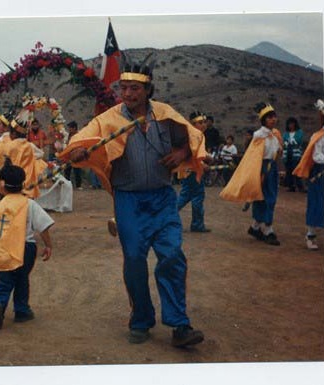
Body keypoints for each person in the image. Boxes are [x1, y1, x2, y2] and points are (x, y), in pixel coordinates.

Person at [61, 53, 205, 348]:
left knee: (173, 256)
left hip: (163, 199)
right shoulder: (108, 119)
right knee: (135, 261)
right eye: (123, 88)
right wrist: (77, 151)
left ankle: (179, 324)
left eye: (134, 89)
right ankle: (141, 318)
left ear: (148, 90)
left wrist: (182, 154)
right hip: (128, 201)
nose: (127, 94)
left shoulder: (166, 115)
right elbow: (80, 142)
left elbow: (194, 138)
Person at [0, 160, 54, 330]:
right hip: (26, 249)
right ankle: (22, 311)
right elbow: (44, 226)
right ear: (23, 184)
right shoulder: (29, 204)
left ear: (2, 186)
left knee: (5, 280)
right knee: (22, 280)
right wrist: (48, 246)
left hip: (2, 249)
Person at [220, 102, 283, 246]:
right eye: (269, 118)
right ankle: (268, 229)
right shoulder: (259, 136)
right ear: (263, 120)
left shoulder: (274, 135)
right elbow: (255, 156)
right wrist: (257, 173)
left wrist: (279, 152)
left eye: (274, 117)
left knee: (268, 198)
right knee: (265, 199)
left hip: (271, 168)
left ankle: (255, 227)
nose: (273, 119)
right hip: (262, 169)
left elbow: (276, 152)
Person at [293, 100, 324, 250]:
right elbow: (316, 156)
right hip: (320, 174)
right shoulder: (318, 136)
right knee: (317, 203)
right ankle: (310, 234)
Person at [176, 111, 211, 233]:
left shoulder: (194, 135)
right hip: (192, 171)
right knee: (194, 196)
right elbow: (191, 154)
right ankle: (196, 224)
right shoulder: (194, 135)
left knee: (188, 196)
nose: (203, 125)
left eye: (204, 122)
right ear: (193, 124)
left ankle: (196, 223)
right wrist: (203, 164)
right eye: (200, 122)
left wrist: (206, 156)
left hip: (190, 170)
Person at [282, 117, 305, 192]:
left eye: (292, 123)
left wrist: (289, 142)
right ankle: (291, 186)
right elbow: (284, 142)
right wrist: (290, 142)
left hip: (296, 154)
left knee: (297, 170)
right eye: (289, 124)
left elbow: (298, 141)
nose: (290, 125)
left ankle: (300, 186)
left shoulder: (299, 132)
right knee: (289, 171)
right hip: (287, 154)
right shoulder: (285, 133)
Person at [63, 121, 83, 190]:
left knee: (77, 170)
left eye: (70, 128)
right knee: (67, 170)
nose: (69, 129)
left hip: (76, 154)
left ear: (74, 128)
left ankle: (78, 185)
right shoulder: (68, 135)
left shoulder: (79, 135)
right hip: (69, 155)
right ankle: (67, 185)